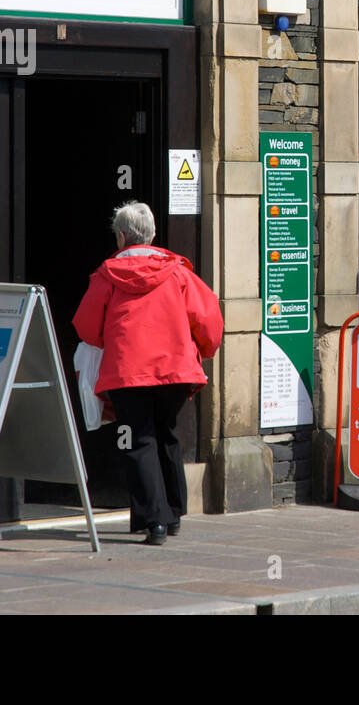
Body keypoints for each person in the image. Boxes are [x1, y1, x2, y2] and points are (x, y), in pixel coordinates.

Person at [72, 201, 222, 545]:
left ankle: (154, 521)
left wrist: (109, 338)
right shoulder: (179, 272)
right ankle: (174, 514)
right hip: (175, 371)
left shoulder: (107, 275)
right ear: (152, 235)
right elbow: (209, 319)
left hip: (128, 372)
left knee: (139, 440)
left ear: (122, 236)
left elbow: (86, 326)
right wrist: (203, 349)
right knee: (167, 433)